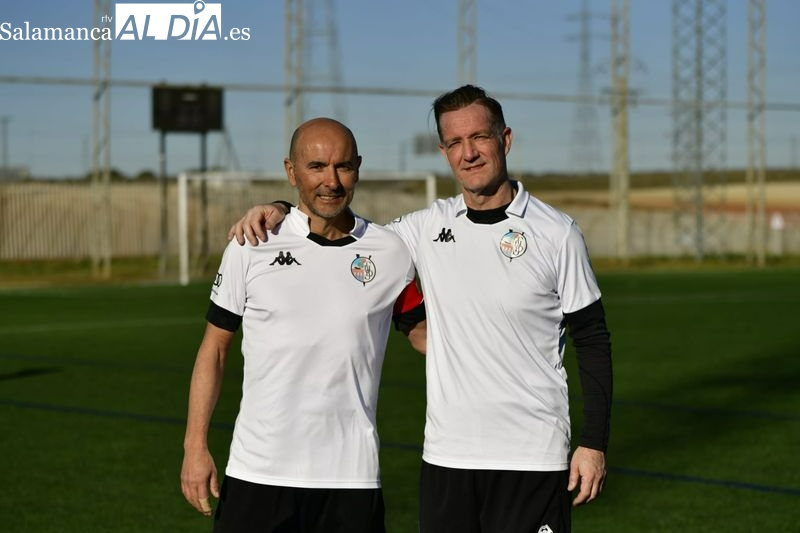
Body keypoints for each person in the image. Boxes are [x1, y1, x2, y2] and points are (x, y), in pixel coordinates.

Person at [228, 85, 613, 533]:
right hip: (446, 459)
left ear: (505, 140)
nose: (468, 153)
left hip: (532, 455)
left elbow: (593, 339)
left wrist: (593, 443)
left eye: (479, 138)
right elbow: (342, 236)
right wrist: (279, 209)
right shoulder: (421, 230)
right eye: (454, 142)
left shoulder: (557, 234)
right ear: (443, 151)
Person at [180, 117, 426, 533]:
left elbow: (423, 336)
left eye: (343, 166)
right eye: (316, 167)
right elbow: (215, 349)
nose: (331, 180)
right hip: (259, 473)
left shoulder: (391, 252)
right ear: (291, 172)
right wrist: (194, 446)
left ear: (358, 168)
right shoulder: (251, 244)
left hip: (351, 478)